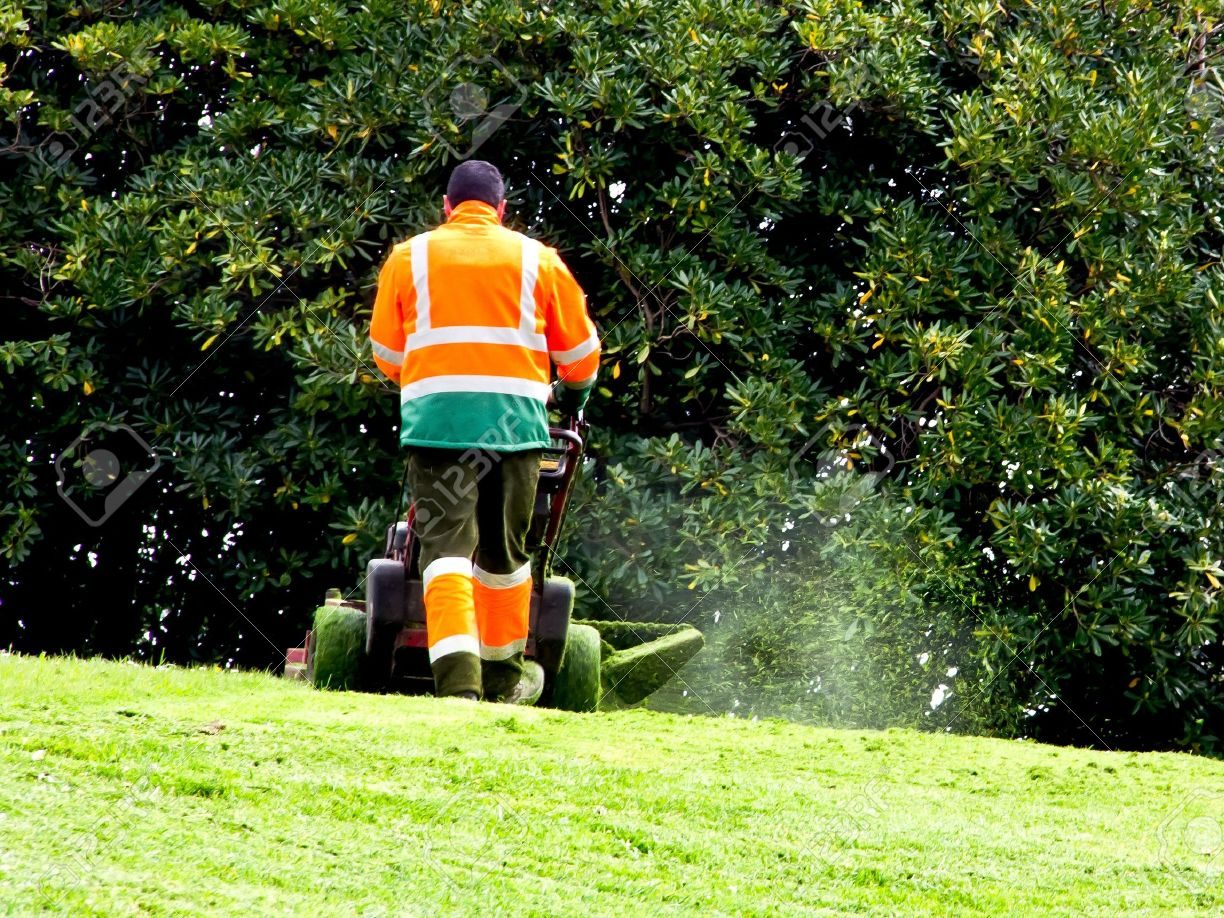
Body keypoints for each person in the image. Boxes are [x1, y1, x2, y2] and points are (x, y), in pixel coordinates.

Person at [369, 161, 600, 702]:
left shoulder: (410, 256)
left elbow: (386, 351)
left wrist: (427, 379)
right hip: (515, 428)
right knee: (505, 557)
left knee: (445, 553)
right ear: (500, 210)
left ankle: (458, 688)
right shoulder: (538, 260)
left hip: (439, 427)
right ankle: (503, 680)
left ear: (447, 208)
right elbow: (581, 357)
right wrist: (572, 397)